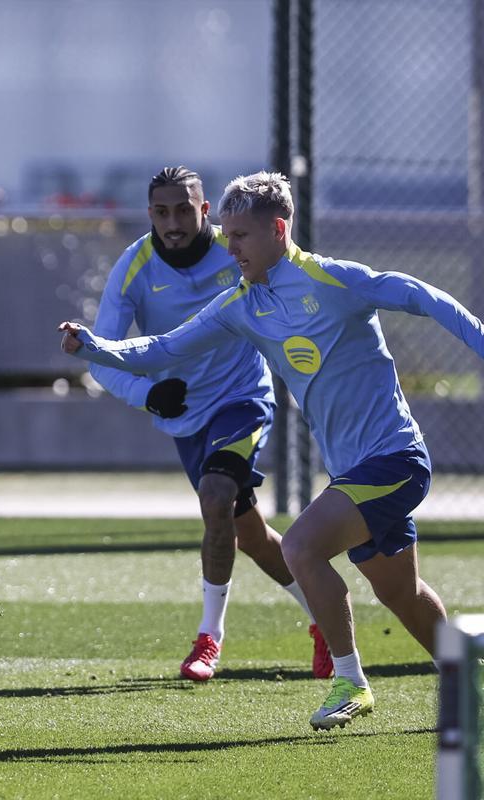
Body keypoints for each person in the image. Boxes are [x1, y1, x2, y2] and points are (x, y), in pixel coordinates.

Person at [60, 171, 478, 730]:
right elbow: (160, 349)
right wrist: (96, 346)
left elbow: (423, 296)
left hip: (396, 459)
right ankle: (470, 685)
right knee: (401, 592)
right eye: (226, 234)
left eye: (240, 236)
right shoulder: (241, 304)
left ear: (279, 230)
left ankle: (351, 683)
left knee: (302, 546)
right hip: (354, 471)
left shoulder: (333, 280)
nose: (228, 247)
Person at [86, 166, 330, 683]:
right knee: (247, 530)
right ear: (149, 213)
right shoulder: (135, 266)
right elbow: (102, 355)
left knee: (216, 497)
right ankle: (325, 619)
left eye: (183, 209)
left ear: (204, 211)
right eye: (161, 211)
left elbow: (294, 289)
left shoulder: (237, 247)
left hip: (242, 399)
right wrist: (148, 393)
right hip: (183, 415)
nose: (173, 221)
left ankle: (209, 638)